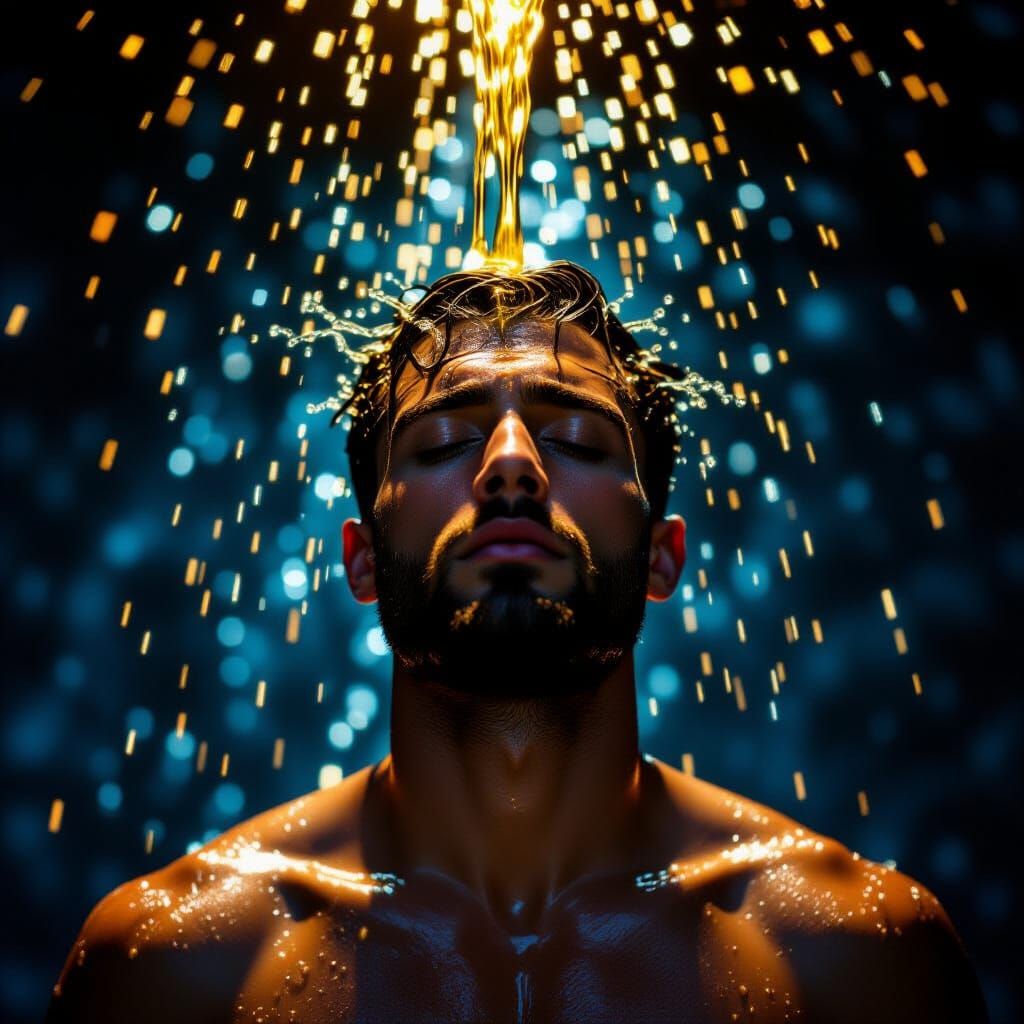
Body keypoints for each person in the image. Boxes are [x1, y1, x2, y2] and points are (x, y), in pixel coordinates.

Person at [46, 262, 986, 1023]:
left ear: (663, 555)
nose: (508, 466)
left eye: (576, 438)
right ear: (363, 559)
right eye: (443, 440)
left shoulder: (857, 958)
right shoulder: (177, 965)